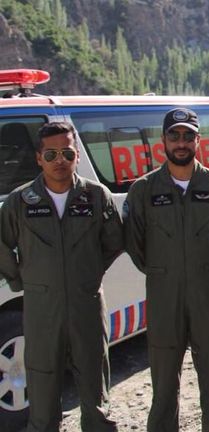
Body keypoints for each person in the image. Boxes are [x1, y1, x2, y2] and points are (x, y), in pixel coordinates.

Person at [0, 122, 123, 431]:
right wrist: (21, 280)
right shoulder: (20, 201)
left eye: (67, 153)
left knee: (95, 388)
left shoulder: (96, 196)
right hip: (42, 309)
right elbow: (1, 245)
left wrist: (89, 271)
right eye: (51, 154)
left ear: (77, 155)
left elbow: (114, 241)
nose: (60, 160)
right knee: (42, 389)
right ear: (39, 158)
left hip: (87, 304)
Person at [124, 108, 209, 432]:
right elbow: (135, 244)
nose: (181, 142)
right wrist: (166, 270)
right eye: (174, 135)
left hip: (207, 297)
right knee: (163, 389)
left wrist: (202, 267)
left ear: (198, 141)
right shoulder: (144, 190)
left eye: (188, 136)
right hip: (164, 298)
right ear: (163, 140)